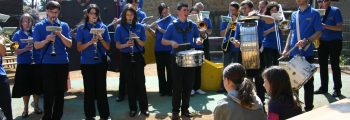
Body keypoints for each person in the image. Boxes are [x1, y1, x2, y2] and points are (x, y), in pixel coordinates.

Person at [162, 3, 203, 119]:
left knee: (188, 86)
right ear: (178, 12)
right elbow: (163, 41)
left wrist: (199, 40)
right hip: (176, 58)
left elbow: (197, 37)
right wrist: (171, 43)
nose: (187, 12)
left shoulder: (193, 25)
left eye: (187, 10)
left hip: (190, 58)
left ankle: (185, 109)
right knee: (177, 86)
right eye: (184, 10)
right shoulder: (171, 26)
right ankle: (175, 111)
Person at [33, 1, 72, 119]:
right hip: (47, 63)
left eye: (56, 12)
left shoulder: (64, 25)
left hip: (62, 62)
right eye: (51, 12)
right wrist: (46, 40)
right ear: (47, 11)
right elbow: (36, 46)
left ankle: (57, 117)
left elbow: (69, 44)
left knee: (60, 93)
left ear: (59, 12)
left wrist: (60, 35)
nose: (53, 15)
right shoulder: (39, 26)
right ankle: (47, 116)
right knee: (49, 93)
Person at [282, 0, 322, 112]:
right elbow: (291, 32)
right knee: (293, 82)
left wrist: (307, 41)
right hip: (293, 52)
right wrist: (286, 49)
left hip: (307, 52)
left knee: (308, 82)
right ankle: (295, 107)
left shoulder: (314, 13)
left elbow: (318, 32)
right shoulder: (294, 14)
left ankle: (309, 108)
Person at [234, 0, 275, 105]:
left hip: (258, 53)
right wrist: (236, 42)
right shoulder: (240, 22)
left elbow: (272, 20)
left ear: (251, 9)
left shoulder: (259, 20)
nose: (243, 11)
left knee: (259, 80)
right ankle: (247, 102)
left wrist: (259, 15)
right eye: (242, 9)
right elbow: (236, 38)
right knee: (245, 80)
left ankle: (261, 104)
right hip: (243, 54)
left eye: (245, 8)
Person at [76, 4, 111, 120]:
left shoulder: (103, 27)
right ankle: (89, 115)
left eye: (95, 13)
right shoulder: (81, 28)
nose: (93, 16)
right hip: (86, 63)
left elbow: (108, 48)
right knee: (89, 90)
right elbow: (79, 48)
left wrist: (100, 39)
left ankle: (104, 115)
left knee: (101, 89)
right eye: (91, 13)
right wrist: (90, 42)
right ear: (87, 14)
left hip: (100, 62)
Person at [114, 4, 149, 117]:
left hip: (137, 56)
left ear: (135, 15)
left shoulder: (140, 27)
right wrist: (126, 45)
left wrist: (136, 38)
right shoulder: (120, 27)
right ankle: (133, 108)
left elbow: (143, 44)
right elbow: (118, 45)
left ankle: (144, 108)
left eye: (131, 15)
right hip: (126, 57)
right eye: (127, 15)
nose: (129, 17)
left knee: (141, 82)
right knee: (130, 83)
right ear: (124, 16)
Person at [11, 13, 42, 118]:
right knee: (25, 88)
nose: (27, 23)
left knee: (37, 87)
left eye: (29, 21)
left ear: (32, 22)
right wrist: (25, 49)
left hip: (36, 64)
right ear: (21, 23)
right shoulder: (16, 35)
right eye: (25, 21)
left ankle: (37, 107)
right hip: (24, 65)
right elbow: (13, 51)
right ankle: (25, 109)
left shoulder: (36, 33)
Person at [314, 0, 343, 97]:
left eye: (322, 1)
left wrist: (324, 26)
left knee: (334, 65)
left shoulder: (335, 10)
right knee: (322, 66)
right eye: (318, 1)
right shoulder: (317, 13)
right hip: (322, 42)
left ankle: (337, 89)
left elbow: (339, 27)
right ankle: (323, 88)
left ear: (328, 1)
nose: (320, 3)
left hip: (335, 42)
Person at [217, 1, 241, 93]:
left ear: (237, 10)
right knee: (226, 66)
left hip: (237, 46)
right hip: (227, 45)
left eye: (233, 10)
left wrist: (236, 22)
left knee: (237, 67)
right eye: (230, 10)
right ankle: (223, 86)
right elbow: (222, 34)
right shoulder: (226, 19)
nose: (231, 12)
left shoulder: (241, 18)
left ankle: (237, 87)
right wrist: (230, 24)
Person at [153, 2, 175, 97]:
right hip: (159, 49)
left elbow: (168, 33)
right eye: (163, 12)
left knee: (170, 70)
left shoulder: (173, 20)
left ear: (168, 10)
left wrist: (158, 28)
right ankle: (162, 90)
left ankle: (170, 90)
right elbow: (156, 34)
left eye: (166, 11)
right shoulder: (159, 20)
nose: (165, 13)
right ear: (160, 12)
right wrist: (150, 29)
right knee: (160, 70)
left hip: (169, 49)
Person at [189, 7, 207, 96]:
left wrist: (201, 28)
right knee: (191, 68)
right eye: (192, 14)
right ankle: (191, 88)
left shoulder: (201, 22)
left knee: (198, 68)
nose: (193, 15)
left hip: (199, 47)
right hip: (190, 48)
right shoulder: (187, 23)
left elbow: (204, 36)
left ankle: (197, 87)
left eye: (195, 14)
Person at [262, 1, 283, 68]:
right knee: (268, 65)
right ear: (269, 11)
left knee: (276, 65)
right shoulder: (264, 20)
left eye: (275, 10)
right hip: (267, 45)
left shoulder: (280, 19)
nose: (274, 12)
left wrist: (281, 26)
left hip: (277, 45)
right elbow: (262, 34)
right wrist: (271, 29)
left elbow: (283, 32)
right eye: (272, 10)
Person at [0, 33, 13, 120]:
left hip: (1, 76)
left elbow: (13, 49)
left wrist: (3, 39)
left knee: (7, 105)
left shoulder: (2, 37)